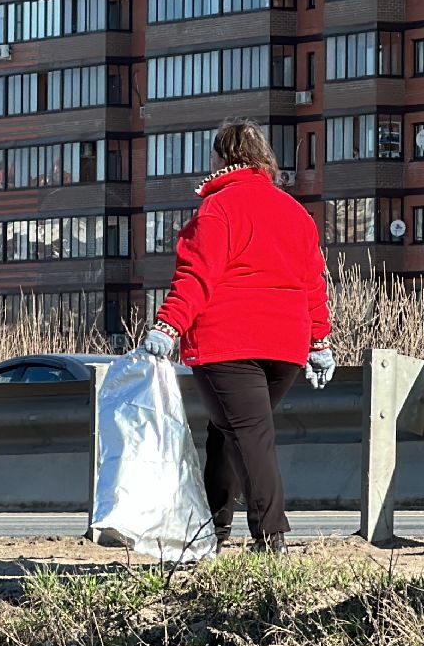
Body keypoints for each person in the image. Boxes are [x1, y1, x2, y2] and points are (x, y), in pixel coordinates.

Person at [142, 118, 335, 555]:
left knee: (248, 435)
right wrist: (319, 342)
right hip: (285, 347)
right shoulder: (295, 213)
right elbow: (313, 283)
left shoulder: (217, 209)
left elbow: (196, 276)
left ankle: (271, 538)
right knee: (226, 430)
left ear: (222, 158)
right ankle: (213, 527)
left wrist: (167, 326)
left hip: (228, 344)